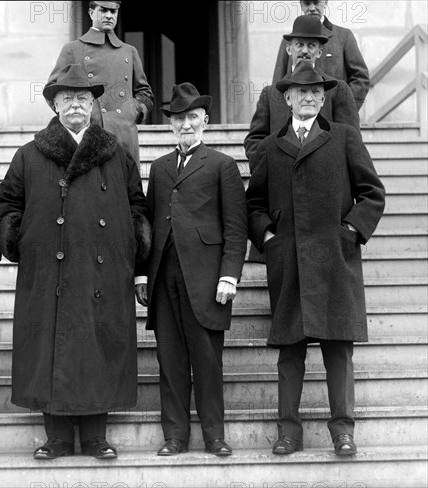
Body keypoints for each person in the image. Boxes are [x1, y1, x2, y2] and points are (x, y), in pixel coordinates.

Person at [0, 64, 150, 460]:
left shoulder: (115, 154)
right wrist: (18, 240)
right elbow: (6, 205)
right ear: (54, 105)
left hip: (103, 272)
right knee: (52, 346)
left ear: (92, 103)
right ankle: (58, 438)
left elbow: (137, 206)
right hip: (49, 272)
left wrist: (134, 249)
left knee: (97, 346)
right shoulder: (30, 155)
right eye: (68, 99)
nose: (76, 105)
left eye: (83, 98)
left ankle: (96, 437)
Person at [246, 61, 385, 456]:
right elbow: (253, 203)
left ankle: (343, 431)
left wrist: (351, 231)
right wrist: (268, 237)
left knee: (338, 348)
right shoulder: (272, 147)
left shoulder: (343, 137)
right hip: (288, 261)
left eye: (315, 93)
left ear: (324, 99)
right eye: (300, 92)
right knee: (290, 352)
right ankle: (289, 432)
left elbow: (372, 192)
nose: (308, 98)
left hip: (335, 260)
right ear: (286, 98)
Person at [135, 83, 248, 457]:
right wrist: (141, 274)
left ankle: (215, 435)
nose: (186, 125)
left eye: (193, 118)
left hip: (206, 278)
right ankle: (175, 437)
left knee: (207, 360)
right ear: (171, 124)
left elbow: (235, 226)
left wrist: (229, 274)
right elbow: (148, 224)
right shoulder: (161, 167)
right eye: (180, 118)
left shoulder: (222, 165)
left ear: (205, 121)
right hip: (164, 275)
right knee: (169, 360)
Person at [45, 1, 154, 166]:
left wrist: (134, 110)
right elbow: (52, 89)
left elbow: (144, 92)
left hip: (124, 133)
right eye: (103, 10)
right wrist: (75, 116)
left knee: (125, 186)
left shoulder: (129, 51)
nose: (109, 16)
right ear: (91, 13)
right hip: (88, 132)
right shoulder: (73, 49)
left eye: (113, 11)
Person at [244, 15, 360, 166]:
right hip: (283, 183)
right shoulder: (271, 94)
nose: (304, 51)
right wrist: (268, 170)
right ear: (288, 49)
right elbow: (254, 140)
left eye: (311, 45)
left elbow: (352, 141)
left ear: (319, 52)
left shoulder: (338, 89)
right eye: (299, 44)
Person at [272, 0, 369, 110]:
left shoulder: (343, 36)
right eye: (307, 3)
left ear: (325, 2)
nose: (312, 8)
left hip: (332, 118)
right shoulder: (290, 41)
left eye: (317, 2)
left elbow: (360, 78)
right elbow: (278, 83)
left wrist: (344, 110)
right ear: (301, 5)